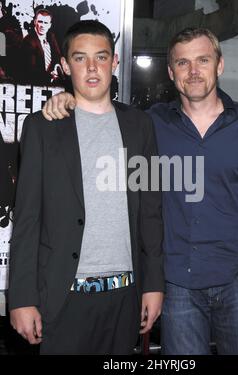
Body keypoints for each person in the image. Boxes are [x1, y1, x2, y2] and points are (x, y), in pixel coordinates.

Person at [42, 27, 238, 355]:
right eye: (183, 63)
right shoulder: (150, 123)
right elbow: (103, 117)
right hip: (177, 286)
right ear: (171, 73)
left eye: (203, 60)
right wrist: (70, 99)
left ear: (220, 65)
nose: (194, 71)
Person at [8, 20, 164, 355]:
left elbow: (150, 212)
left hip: (126, 297)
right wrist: (20, 298)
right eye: (80, 58)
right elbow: (27, 220)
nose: (92, 68)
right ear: (64, 65)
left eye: (101, 57)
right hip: (63, 299)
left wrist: (154, 284)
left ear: (115, 61)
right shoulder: (41, 128)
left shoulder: (140, 126)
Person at [20, 8, 63, 85]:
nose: (42, 25)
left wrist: (56, 67)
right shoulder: (28, 42)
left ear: (49, 25)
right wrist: (51, 76)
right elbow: (31, 70)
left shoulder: (51, 37)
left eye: (46, 23)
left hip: (53, 81)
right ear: (35, 22)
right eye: (40, 22)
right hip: (36, 84)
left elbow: (57, 56)